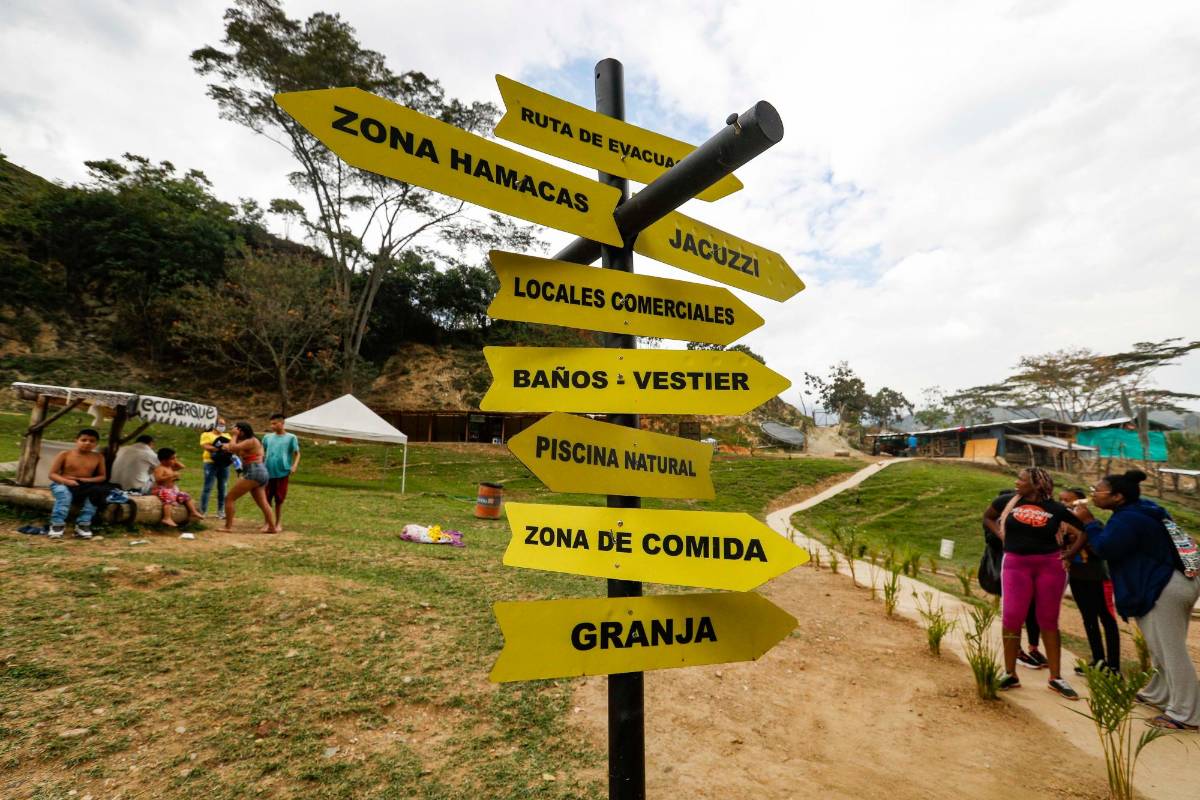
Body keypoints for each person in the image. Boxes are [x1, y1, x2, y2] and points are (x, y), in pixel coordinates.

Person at [1074, 470, 1200, 730]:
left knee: (1171, 650)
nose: (1093, 494)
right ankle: (1160, 693)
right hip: (1171, 582)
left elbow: (1105, 548)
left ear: (1118, 497)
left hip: (1163, 586)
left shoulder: (1128, 519)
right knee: (1158, 646)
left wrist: (1089, 523)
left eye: (1097, 490)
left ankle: (1187, 714)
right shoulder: (1145, 509)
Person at [983, 466, 1087, 699]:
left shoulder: (1056, 509)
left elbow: (1083, 531)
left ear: (1037, 484)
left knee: (1048, 619)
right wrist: (1001, 535)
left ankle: (1056, 677)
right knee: (1012, 617)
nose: (1017, 482)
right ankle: (1010, 673)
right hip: (1015, 564)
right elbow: (988, 517)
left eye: (1021, 479)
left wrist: (1070, 554)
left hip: (1050, 566)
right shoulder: (1006, 501)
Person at [983, 489, 1048, 669]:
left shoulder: (1027, 518)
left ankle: (1033, 647)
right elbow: (992, 541)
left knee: (1032, 610)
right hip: (1009, 570)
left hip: (1030, 569)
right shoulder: (996, 521)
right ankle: (1017, 650)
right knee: (1015, 613)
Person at [1059, 487, 1120, 675]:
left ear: (1081, 503)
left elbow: (1099, 551)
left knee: (1107, 620)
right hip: (1077, 578)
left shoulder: (1095, 524)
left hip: (1098, 578)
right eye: (1061, 500)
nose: (1064, 505)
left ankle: (1114, 665)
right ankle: (1098, 660)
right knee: (1088, 619)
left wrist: (1080, 538)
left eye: (1068, 501)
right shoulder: (1062, 526)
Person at [46, 428, 107, 540]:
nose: (87, 443)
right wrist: (66, 481)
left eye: (92, 441)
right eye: (84, 440)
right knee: (64, 494)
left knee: (95, 495)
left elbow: (102, 476)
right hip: (62, 482)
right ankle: (57, 524)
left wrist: (86, 480)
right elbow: (52, 474)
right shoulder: (65, 454)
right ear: (76, 440)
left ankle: (83, 524)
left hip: (85, 484)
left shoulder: (98, 457)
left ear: (96, 444)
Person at [220, 422, 276, 533]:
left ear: (242, 431)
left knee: (229, 498)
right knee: (263, 502)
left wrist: (234, 437)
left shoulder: (251, 441)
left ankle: (228, 527)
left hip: (254, 471)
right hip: (260, 472)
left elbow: (232, 447)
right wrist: (227, 446)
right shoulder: (249, 441)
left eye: (236, 430)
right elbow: (234, 448)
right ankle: (272, 528)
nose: (234, 432)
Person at [262, 413, 300, 532]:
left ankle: (278, 523)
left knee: (279, 499)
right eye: (271, 424)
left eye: (275, 423)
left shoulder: (291, 437)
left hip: (282, 472)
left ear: (282, 423)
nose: (272, 426)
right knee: (266, 498)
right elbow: (262, 452)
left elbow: (297, 453)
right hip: (267, 471)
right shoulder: (267, 437)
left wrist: (294, 465)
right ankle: (267, 522)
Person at [151, 448, 201, 527]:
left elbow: (182, 466)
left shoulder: (170, 467)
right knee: (169, 499)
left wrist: (174, 461)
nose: (175, 460)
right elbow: (158, 479)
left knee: (185, 496)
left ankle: (193, 512)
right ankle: (167, 518)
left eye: (175, 458)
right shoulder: (160, 468)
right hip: (162, 489)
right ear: (164, 460)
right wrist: (171, 475)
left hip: (172, 489)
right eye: (172, 458)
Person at [199, 417, 232, 519]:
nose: (222, 427)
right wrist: (220, 448)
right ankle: (203, 511)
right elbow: (206, 446)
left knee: (223, 488)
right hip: (210, 463)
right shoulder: (206, 435)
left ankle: (221, 512)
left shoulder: (227, 435)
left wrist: (221, 448)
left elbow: (231, 447)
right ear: (214, 425)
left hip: (224, 464)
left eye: (224, 424)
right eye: (220, 424)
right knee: (207, 487)